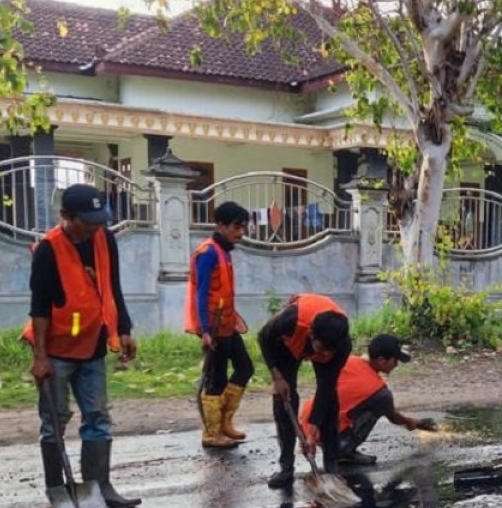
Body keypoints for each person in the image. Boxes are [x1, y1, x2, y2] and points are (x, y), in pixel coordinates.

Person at [23, 183, 142, 508]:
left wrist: (124, 328)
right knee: (54, 421)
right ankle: (58, 492)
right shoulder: (48, 249)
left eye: (99, 220)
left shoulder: (104, 238)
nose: (95, 227)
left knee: (98, 418)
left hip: (93, 345)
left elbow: (112, 286)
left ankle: (100, 488)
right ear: (65, 216)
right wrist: (41, 357)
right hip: (57, 350)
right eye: (87, 221)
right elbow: (40, 306)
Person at [257, 293, 352, 488]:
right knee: (284, 401)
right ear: (311, 334)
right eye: (321, 348)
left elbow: (325, 388)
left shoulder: (341, 347)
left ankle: (331, 468)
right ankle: (286, 468)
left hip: (318, 345)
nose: (324, 354)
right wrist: (277, 376)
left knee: (330, 403)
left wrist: (312, 431)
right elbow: (263, 337)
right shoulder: (289, 321)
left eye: (329, 351)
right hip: (287, 346)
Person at [298, 334, 436, 465]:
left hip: (308, 421)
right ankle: (343, 450)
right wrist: (411, 422)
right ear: (381, 360)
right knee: (379, 403)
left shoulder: (349, 360)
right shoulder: (378, 390)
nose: (396, 365)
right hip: (325, 432)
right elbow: (393, 416)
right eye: (395, 360)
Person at [186, 201, 254, 449]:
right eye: (236, 227)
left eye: (243, 227)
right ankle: (211, 433)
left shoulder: (224, 251)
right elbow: (201, 294)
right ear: (221, 225)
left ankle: (225, 422)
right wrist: (204, 330)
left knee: (245, 368)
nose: (241, 232)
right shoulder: (208, 253)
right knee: (216, 378)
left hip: (227, 325)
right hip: (212, 328)